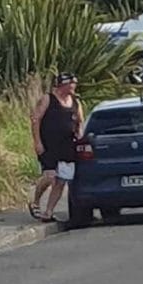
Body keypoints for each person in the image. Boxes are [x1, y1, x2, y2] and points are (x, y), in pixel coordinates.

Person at [29, 72, 84, 223]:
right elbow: (35, 119)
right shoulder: (48, 99)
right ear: (63, 85)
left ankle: (48, 212)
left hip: (67, 147)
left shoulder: (75, 102)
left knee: (61, 181)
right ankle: (35, 201)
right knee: (49, 176)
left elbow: (80, 122)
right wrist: (37, 141)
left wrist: (79, 136)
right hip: (49, 145)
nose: (74, 88)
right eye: (71, 85)